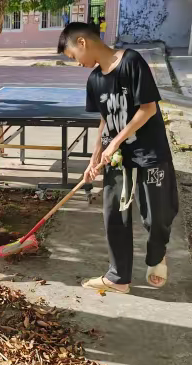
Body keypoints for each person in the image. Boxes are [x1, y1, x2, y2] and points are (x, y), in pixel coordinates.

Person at [57, 23, 178, 294]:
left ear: (82, 42)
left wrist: (117, 141)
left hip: (149, 152)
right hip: (117, 157)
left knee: (157, 214)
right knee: (114, 212)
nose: (78, 64)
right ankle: (118, 277)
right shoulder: (94, 80)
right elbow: (105, 119)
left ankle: (157, 255)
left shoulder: (131, 62)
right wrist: (94, 157)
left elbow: (147, 109)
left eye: (74, 57)